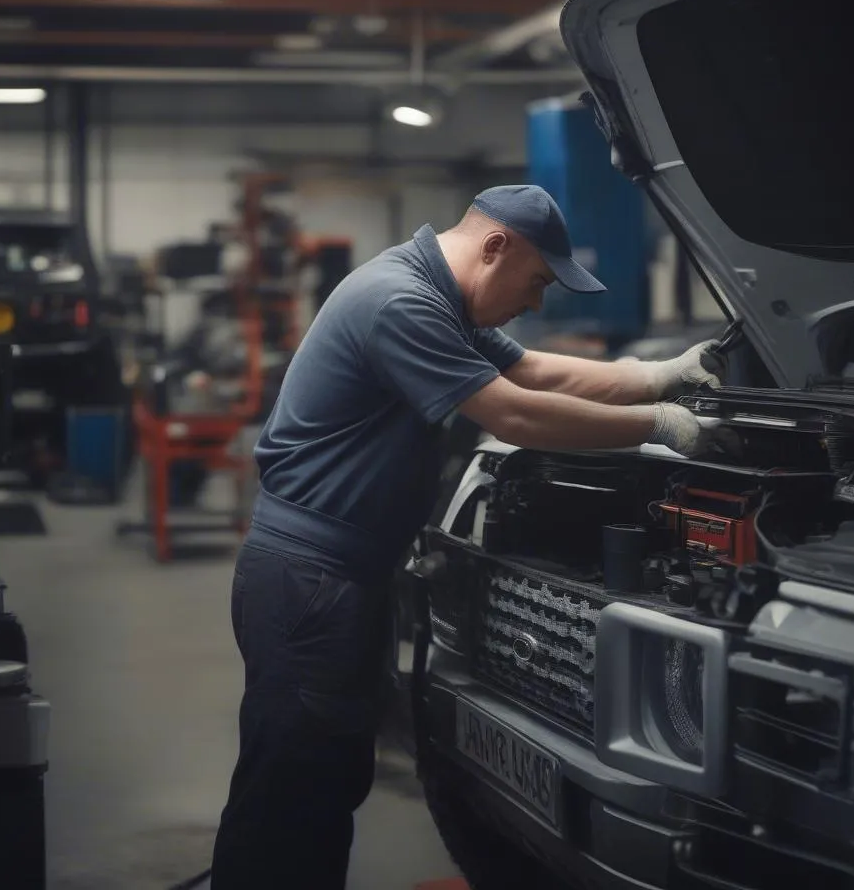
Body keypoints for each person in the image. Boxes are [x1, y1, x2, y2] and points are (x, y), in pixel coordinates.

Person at [210, 184, 732, 889]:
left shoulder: (435, 295)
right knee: (289, 797)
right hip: (310, 578)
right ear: (496, 247)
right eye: (538, 282)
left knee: (326, 784)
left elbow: (535, 369)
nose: (538, 304)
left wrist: (659, 376)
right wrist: (662, 426)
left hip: (341, 576)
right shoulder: (399, 300)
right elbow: (514, 413)